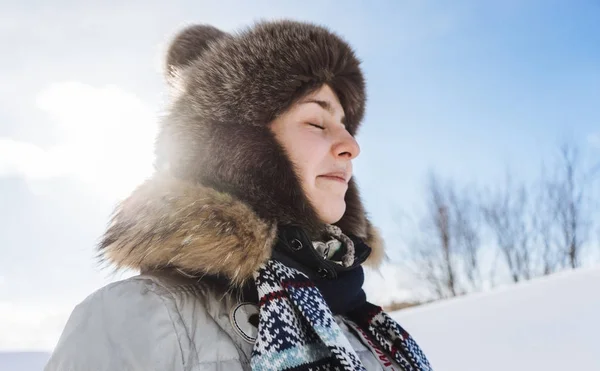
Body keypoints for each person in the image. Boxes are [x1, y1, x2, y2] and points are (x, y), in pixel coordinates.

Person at [45, 20, 432, 371]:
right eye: (317, 121)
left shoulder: (362, 324)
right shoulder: (140, 318)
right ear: (244, 150)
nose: (351, 145)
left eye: (346, 125)